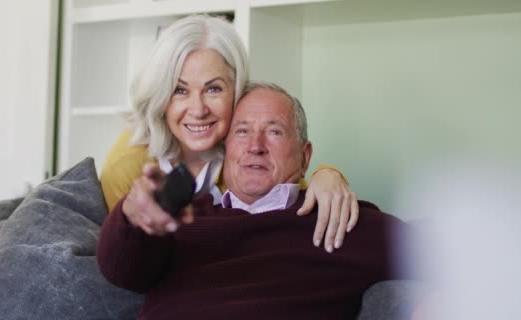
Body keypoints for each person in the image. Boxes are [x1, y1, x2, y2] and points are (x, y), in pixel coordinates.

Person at [97, 81, 413, 319]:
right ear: (225, 149)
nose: (255, 146)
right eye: (242, 132)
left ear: (305, 158)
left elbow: (446, 248)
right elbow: (120, 271)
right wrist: (132, 216)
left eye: (274, 132)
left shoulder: (334, 220)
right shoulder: (183, 217)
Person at [100, 15, 358, 251]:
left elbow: (290, 189)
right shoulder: (126, 166)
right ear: (160, 96)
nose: (198, 110)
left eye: (213, 89)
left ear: (236, 89)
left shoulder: (243, 149)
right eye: (180, 90)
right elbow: (123, 258)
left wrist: (327, 174)